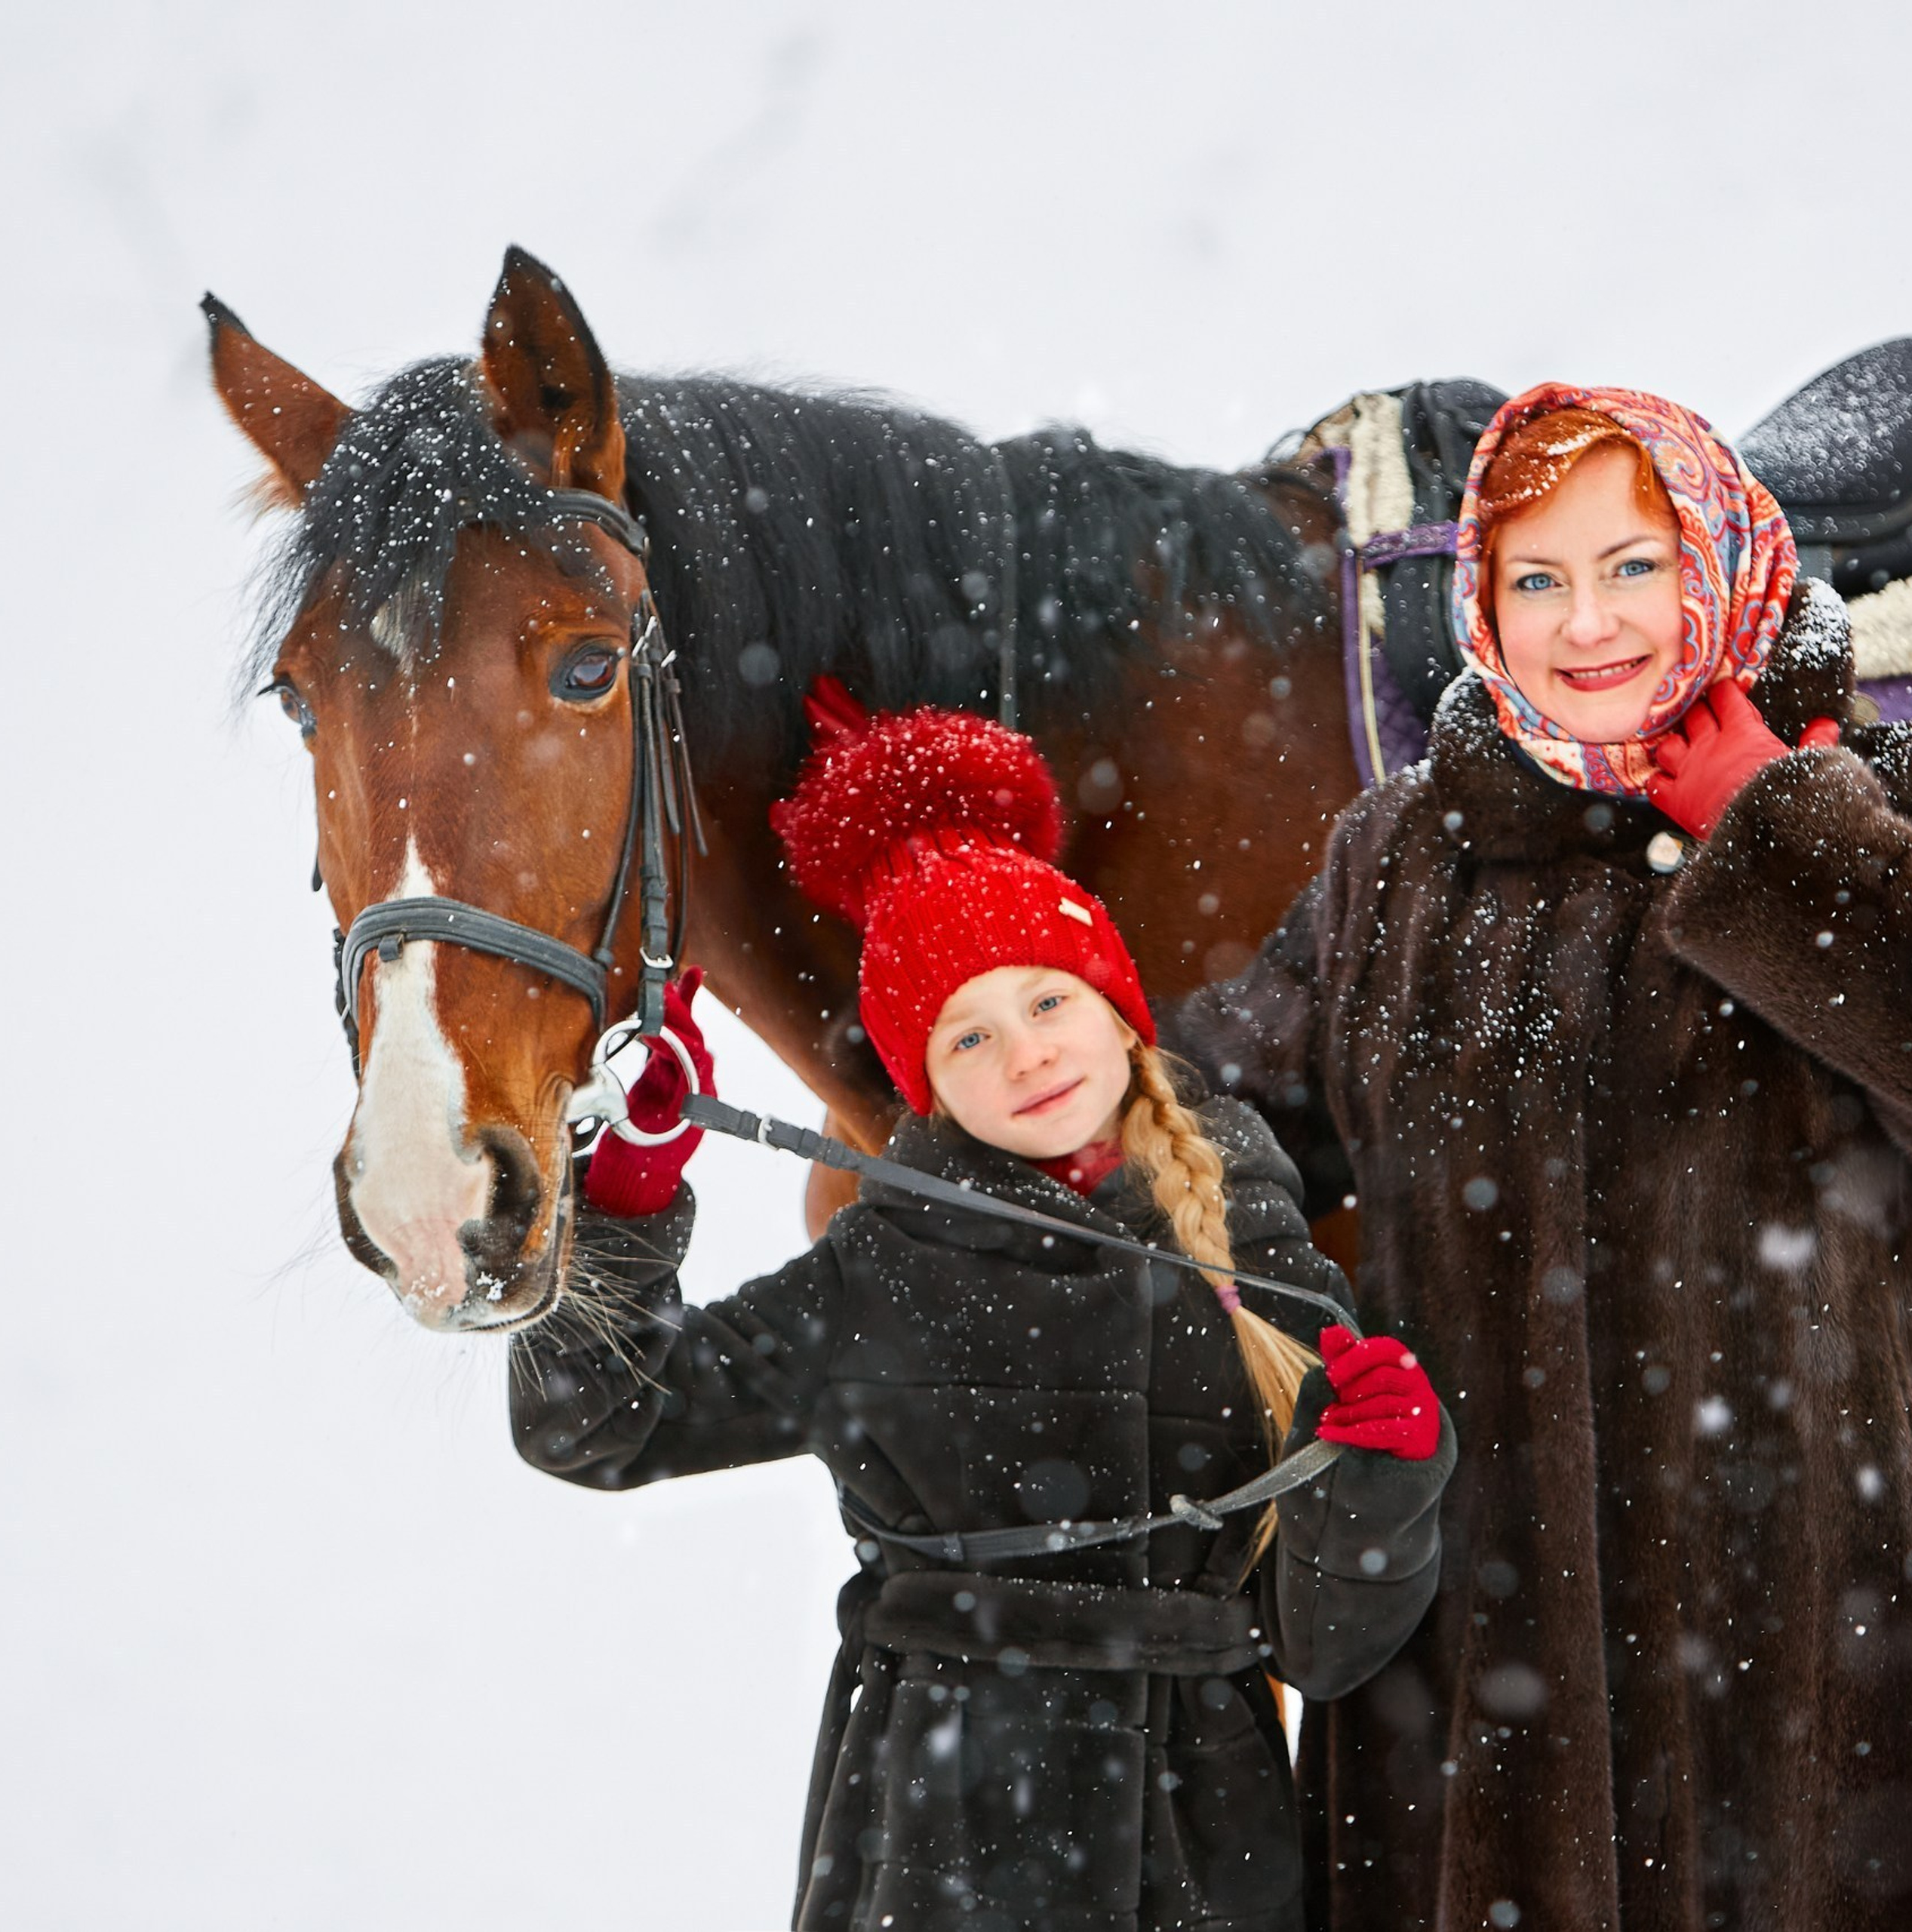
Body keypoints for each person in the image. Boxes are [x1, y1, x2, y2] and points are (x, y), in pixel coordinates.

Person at [511, 685, 1456, 1932]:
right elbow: (599, 1420)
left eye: (1050, 1000)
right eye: (965, 1037)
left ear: (1118, 1009)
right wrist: (626, 1201)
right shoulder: (880, 1274)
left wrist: (1385, 1471)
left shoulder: (1258, 1249)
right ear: (925, 1087)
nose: (1026, 1056)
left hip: (1202, 1845)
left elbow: (1327, 1648)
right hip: (931, 1831)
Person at [1170, 384, 1912, 1931]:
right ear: (1478, 602)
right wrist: (1307, 1326)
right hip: (1479, 1670)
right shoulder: (1398, 857)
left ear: (1717, 559)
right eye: (1536, 577)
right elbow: (1195, 1120)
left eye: (1632, 566)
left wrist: (1772, 831)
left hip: (1810, 1648)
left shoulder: (1866, 818)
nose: (1586, 623)